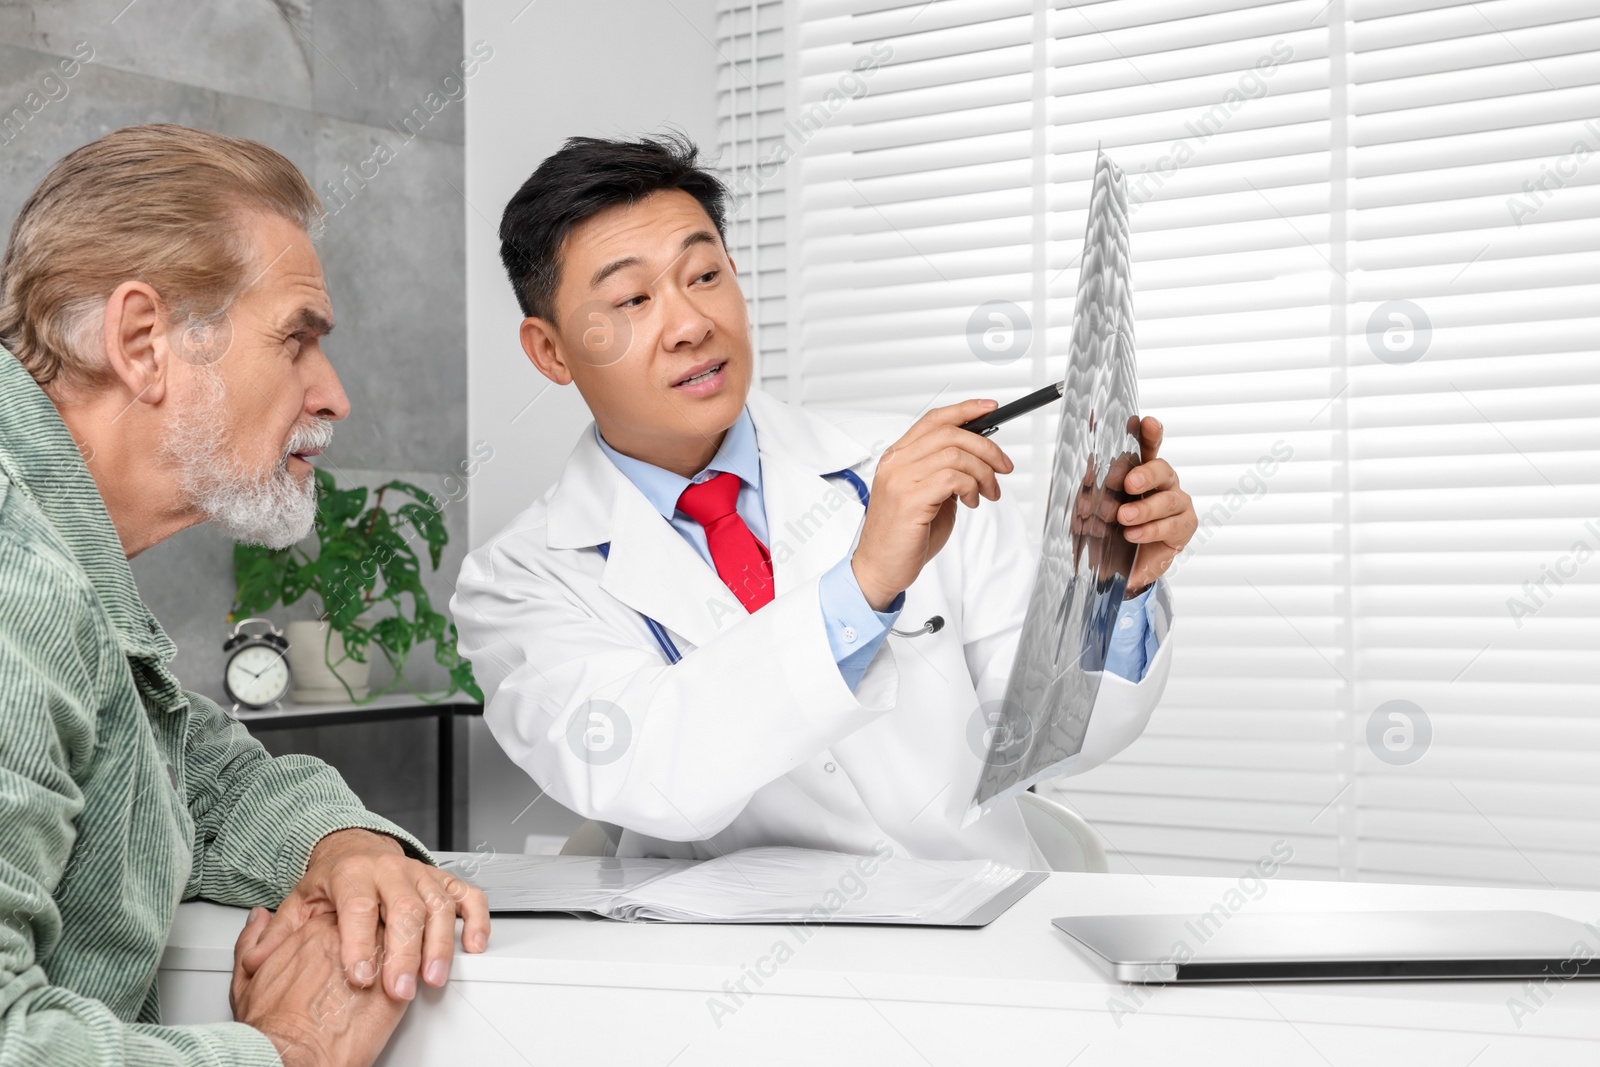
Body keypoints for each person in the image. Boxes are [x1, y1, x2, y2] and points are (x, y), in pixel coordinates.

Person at [452, 135, 1198, 868]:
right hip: (726, 971)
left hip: (982, 936)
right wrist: (862, 585)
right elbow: (641, 773)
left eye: (705, 274)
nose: (691, 324)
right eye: (633, 298)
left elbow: (1043, 736)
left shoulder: (915, 469)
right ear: (550, 350)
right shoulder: (518, 580)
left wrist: (1107, 591)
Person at [0, 124, 489, 1067]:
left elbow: (207, 774)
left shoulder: (65, 564)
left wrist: (348, 844)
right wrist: (289, 1051)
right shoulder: (17, 569)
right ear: (143, 342)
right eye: (297, 340)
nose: (335, 394)